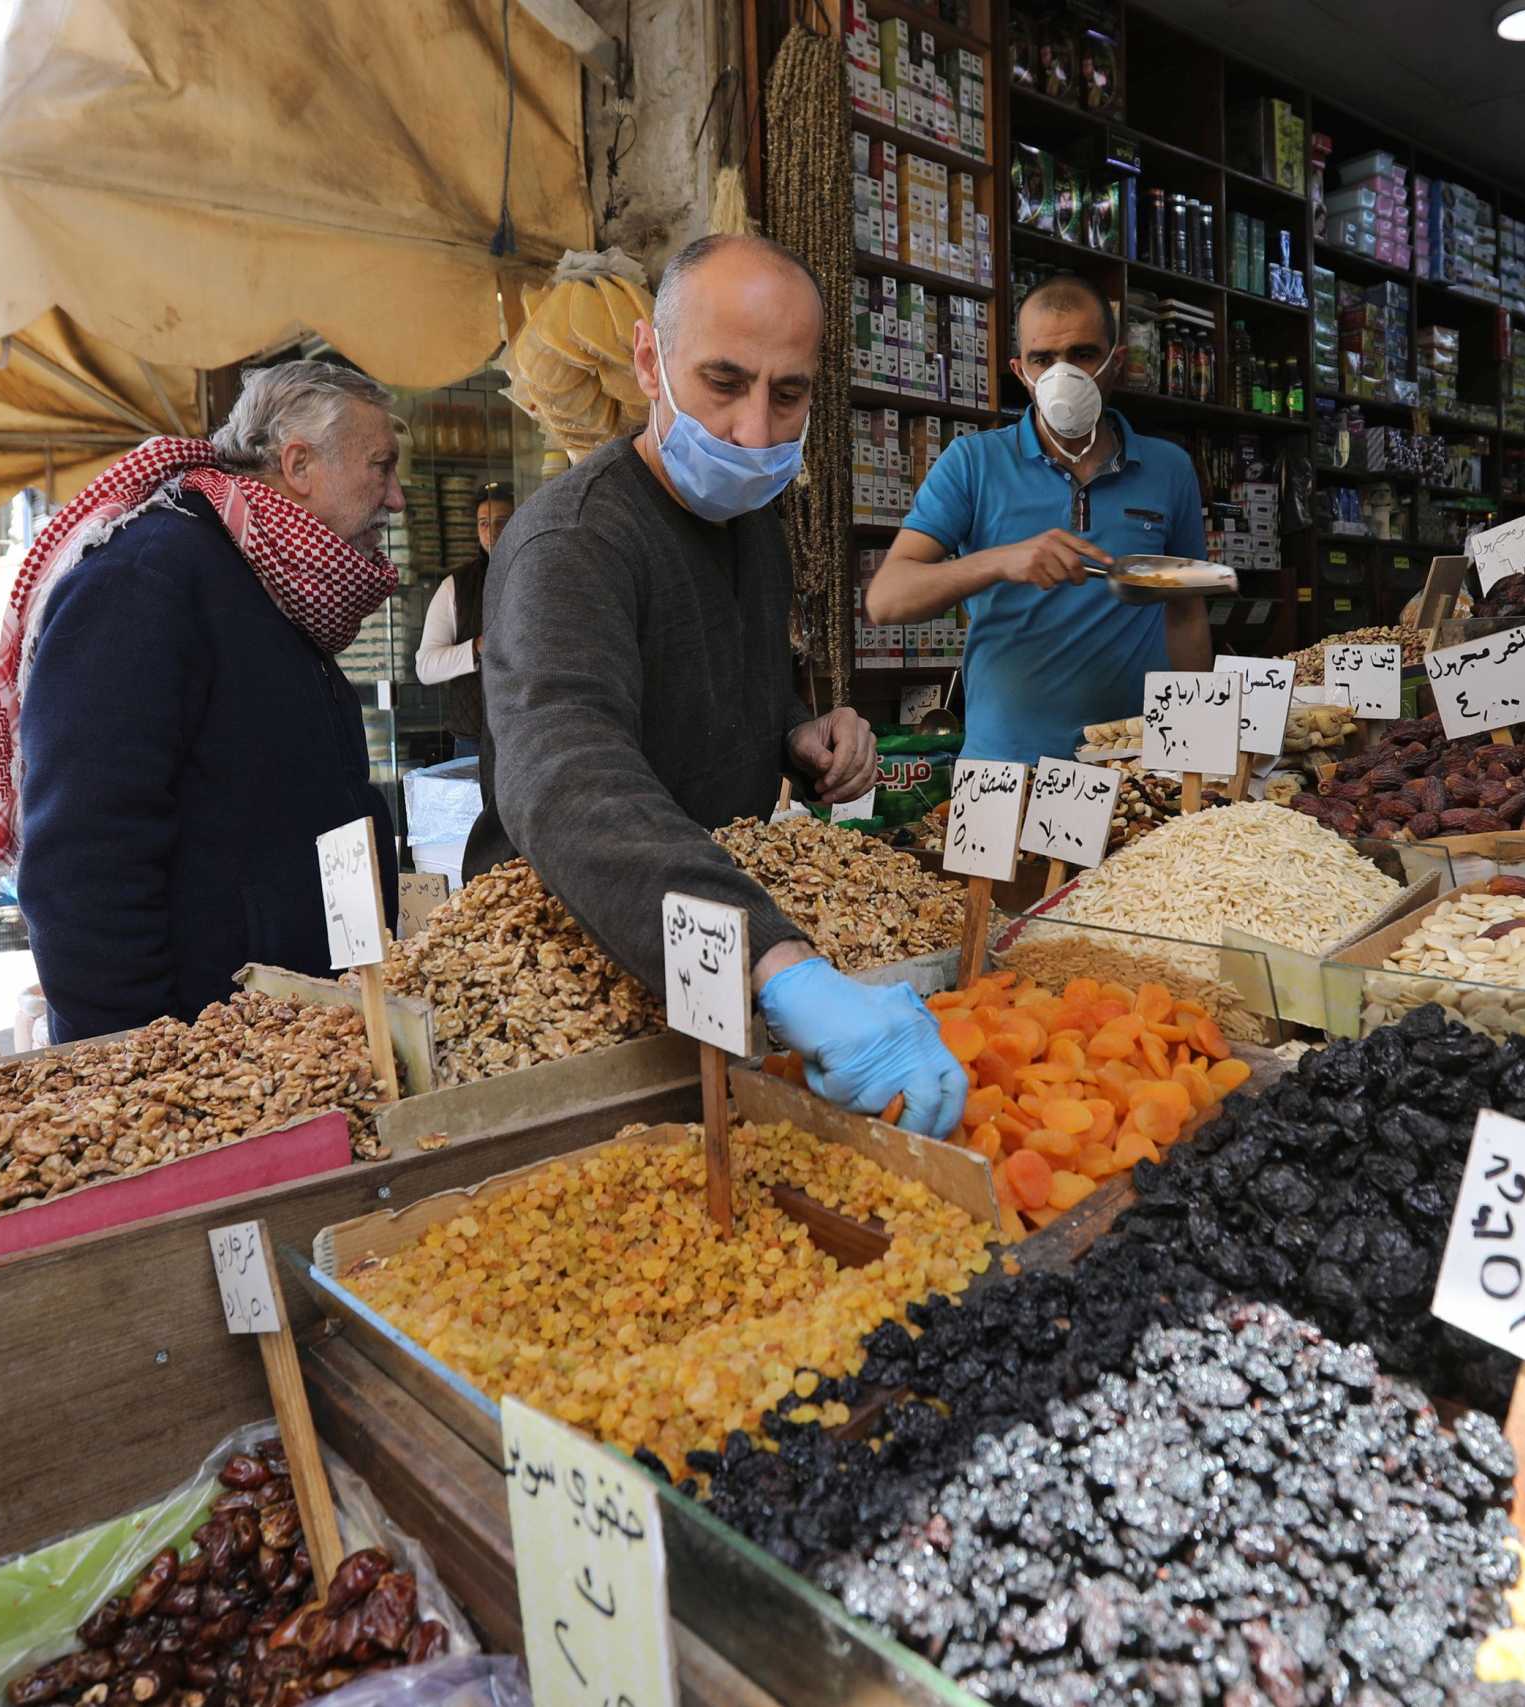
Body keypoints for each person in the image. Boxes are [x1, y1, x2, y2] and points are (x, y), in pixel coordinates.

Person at [466, 233, 968, 1137]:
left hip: (708, 923)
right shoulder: (571, 545)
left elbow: (721, 678)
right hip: (568, 940)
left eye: (789, 394)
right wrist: (781, 964)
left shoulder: (749, 520)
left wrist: (797, 730)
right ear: (649, 361)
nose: (754, 432)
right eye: (725, 383)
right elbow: (567, 774)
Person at [0, 361, 406, 1043]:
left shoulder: (277, 582)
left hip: (292, 1041)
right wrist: (143, 1059)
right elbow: (83, 863)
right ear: (299, 464)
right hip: (201, 1059)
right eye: (381, 466)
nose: (395, 499)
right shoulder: (145, 578)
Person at [864, 273, 1210, 766]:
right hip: (1005, 768)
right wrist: (1001, 561)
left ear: (1117, 362)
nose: (1062, 375)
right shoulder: (972, 462)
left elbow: (1187, 612)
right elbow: (886, 599)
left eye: (1083, 354)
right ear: (1020, 370)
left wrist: (1194, 746)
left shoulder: (1169, 468)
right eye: (1043, 359)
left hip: (1134, 763)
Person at [413, 482, 516, 757]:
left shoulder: (537, 573)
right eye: (483, 523)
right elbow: (426, 667)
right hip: (474, 738)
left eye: (501, 522)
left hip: (527, 729)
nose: (492, 532)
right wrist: (478, 647)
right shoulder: (455, 586)